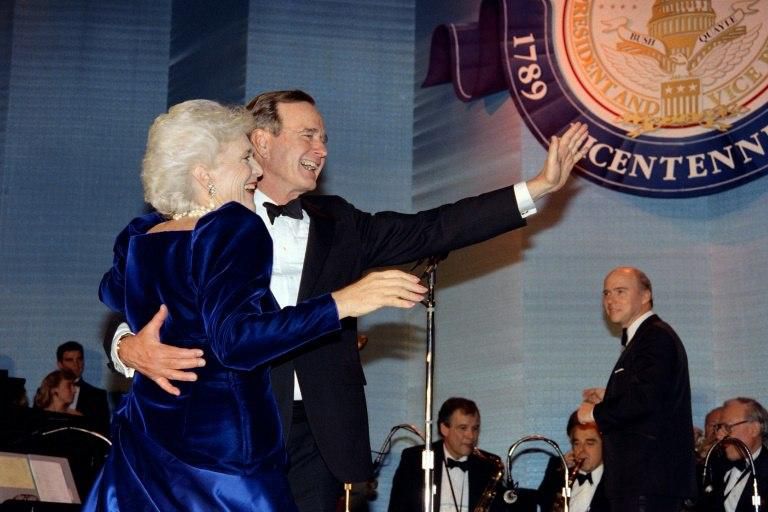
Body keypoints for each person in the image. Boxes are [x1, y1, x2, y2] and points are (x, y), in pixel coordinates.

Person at [108, 90, 592, 512]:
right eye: (308, 135)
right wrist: (126, 347)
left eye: (324, 138)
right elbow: (137, 292)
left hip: (318, 431)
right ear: (260, 141)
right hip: (225, 427)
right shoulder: (201, 216)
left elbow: (434, 227)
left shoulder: (338, 223)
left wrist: (538, 188)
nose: (322, 149)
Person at [83, 99, 426, 512]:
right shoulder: (233, 229)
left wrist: (131, 339)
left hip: (147, 444)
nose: (256, 170)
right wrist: (343, 302)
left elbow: (112, 290)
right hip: (226, 456)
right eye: (245, 158)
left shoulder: (140, 235)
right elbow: (236, 341)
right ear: (202, 173)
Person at [577, 266, 697, 512]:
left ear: (645, 296)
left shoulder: (654, 338)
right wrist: (610, 395)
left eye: (620, 291)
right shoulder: (646, 337)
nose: (610, 300)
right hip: (642, 482)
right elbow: (650, 393)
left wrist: (594, 413)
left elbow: (645, 400)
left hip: (647, 481)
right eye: (606, 293)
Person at [388, 397, 506, 511]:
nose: (471, 436)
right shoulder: (414, 459)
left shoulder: (489, 466)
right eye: (463, 428)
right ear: (444, 428)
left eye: (475, 428)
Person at [699, 397, 768, 512]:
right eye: (718, 428)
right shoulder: (712, 464)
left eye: (727, 427)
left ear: (754, 429)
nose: (719, 436)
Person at [538, 411, 608, 512]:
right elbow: (542, 500)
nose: (581, 451)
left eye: (590, 443)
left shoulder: (617, 481)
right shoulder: (559, 473)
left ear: (605, 445)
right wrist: (560, 469)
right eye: (577, 443)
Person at [56, 340, 110, 434]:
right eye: (69, 360)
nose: (76, 364)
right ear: (60, 364)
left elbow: (103, 430)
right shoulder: (46, 392)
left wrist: (83, 420)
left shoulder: (98, 396)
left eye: (79, 359)